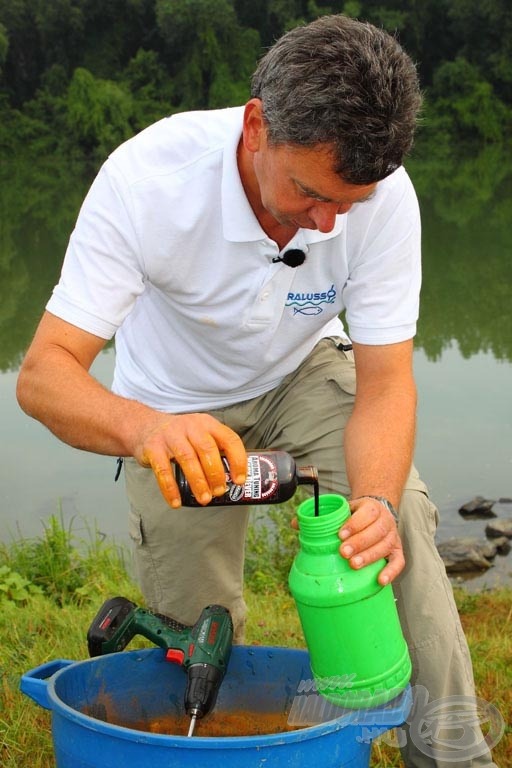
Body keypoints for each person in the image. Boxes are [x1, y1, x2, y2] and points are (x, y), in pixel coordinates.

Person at [17, 15, 496, 767]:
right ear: (255, 126)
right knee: (198, 638)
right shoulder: (148, 180)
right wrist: (146, 431)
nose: (328, 221)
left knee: (390, 525)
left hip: (305, 372)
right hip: (170, 403)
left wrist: (372, 498)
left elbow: (385, 383)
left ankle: (452, 756)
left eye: (350, 204)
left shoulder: (386, 198)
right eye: (310, 194)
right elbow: (45, 375)